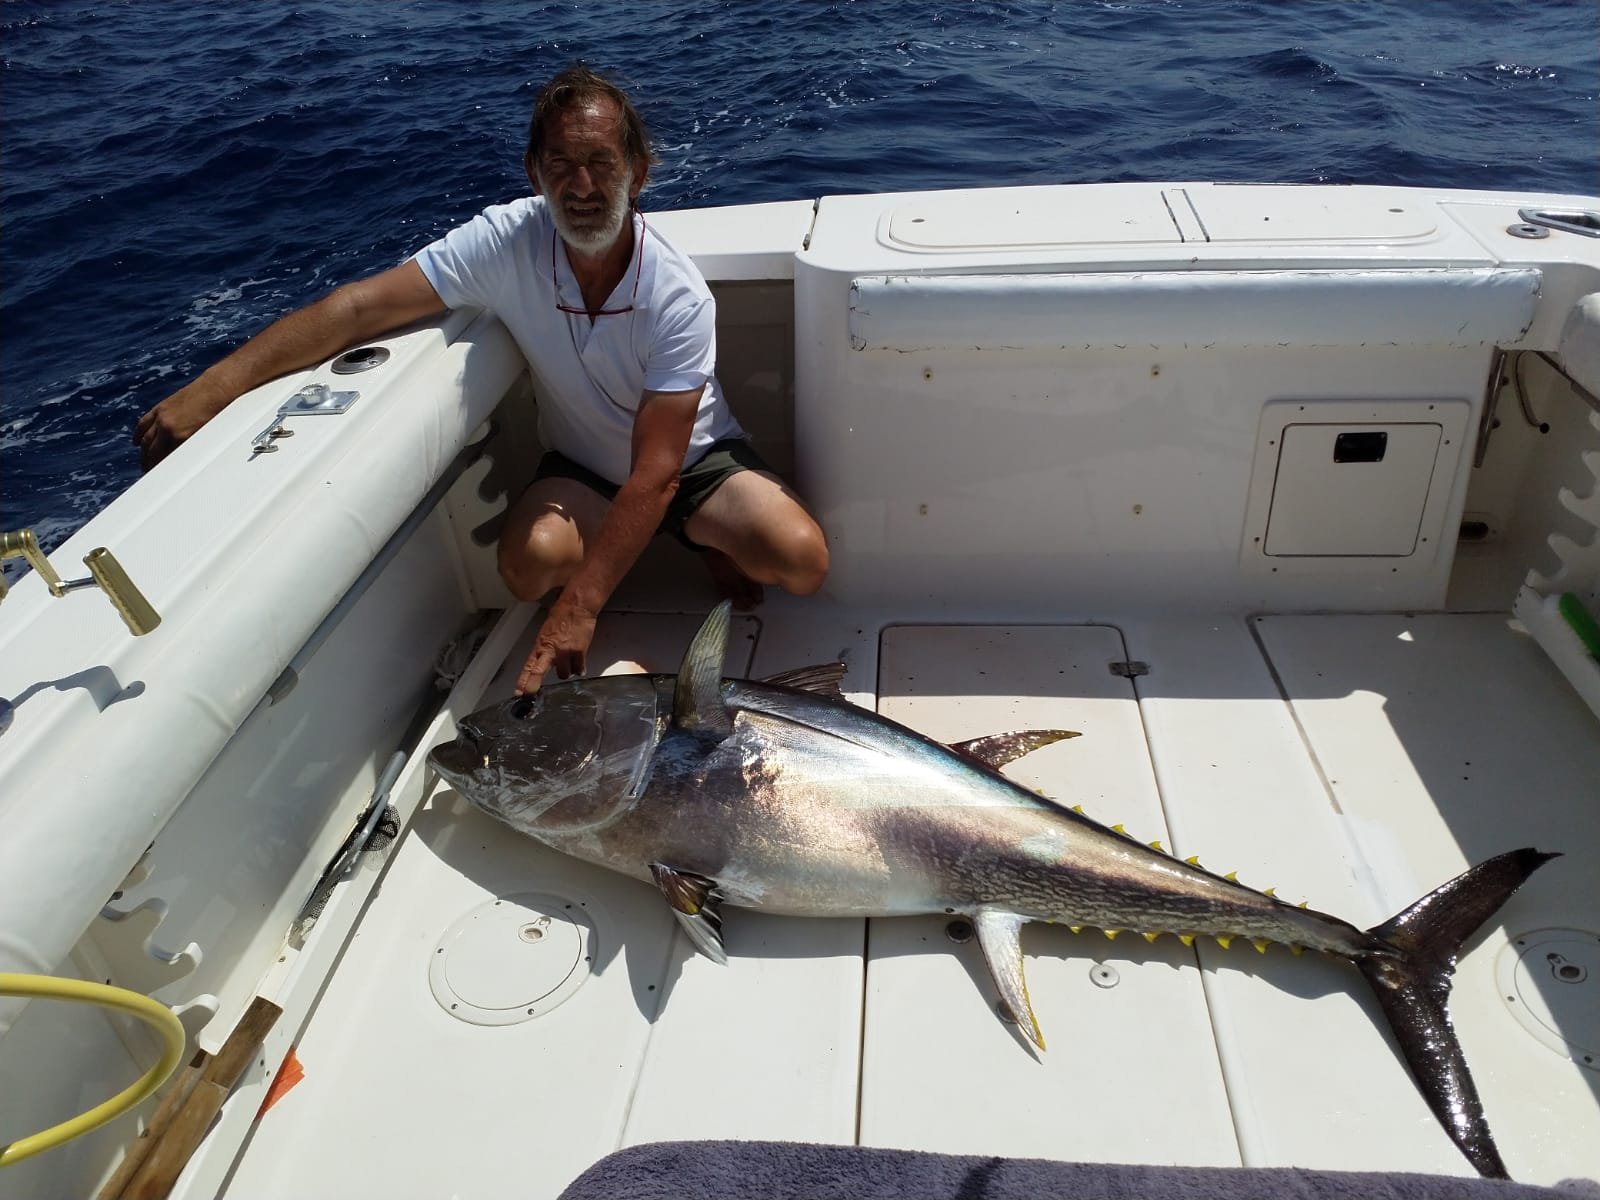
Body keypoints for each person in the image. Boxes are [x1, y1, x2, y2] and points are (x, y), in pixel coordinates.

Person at [134, 65, 828, 694]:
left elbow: (656, 475)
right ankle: (631, 556)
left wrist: (578, 609)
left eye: (600, 162)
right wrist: (214, 387)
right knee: (527, 567)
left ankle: (697, 541)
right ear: (534, 172)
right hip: (584, 469)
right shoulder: (502, 242)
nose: (581, 186)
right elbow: (356, 308)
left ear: (637, 174)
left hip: (690, 464)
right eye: (561, 162)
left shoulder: (676, 295)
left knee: (800, 560)